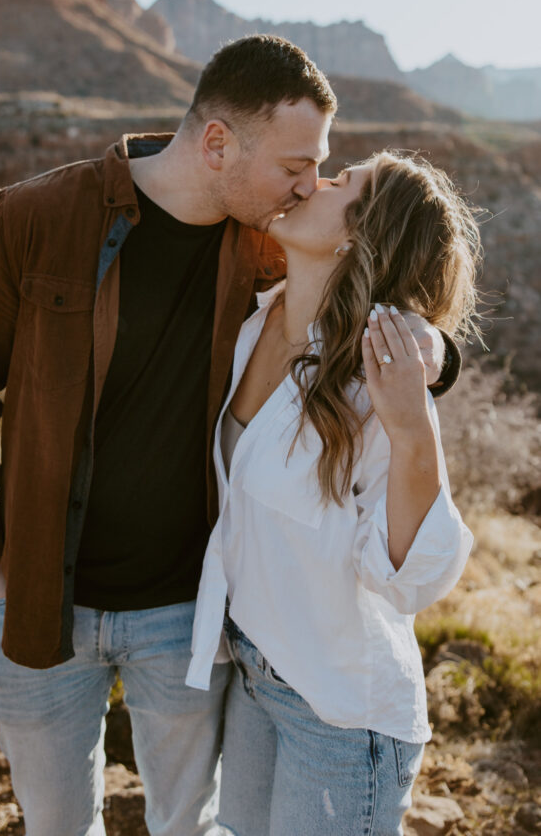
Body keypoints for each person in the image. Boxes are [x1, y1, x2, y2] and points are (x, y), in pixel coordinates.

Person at [0, 37, 457, 836]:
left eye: (321, 169)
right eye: (294, 165)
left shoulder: (265, 242)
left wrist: (431, 354)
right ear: (216, 144)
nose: (307, 185)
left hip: (185, 614)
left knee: (188, 822)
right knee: (56, 825)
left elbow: (381, 280)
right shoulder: (35, 219)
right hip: (34, 599)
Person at [186, 150, 480, 835]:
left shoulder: (376, 384)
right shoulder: (256, 321)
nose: (316, 181)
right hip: (255, 671)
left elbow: (410, 581)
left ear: (355, 237)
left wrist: (412, 436)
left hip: (341, 711)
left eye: (341, 183)